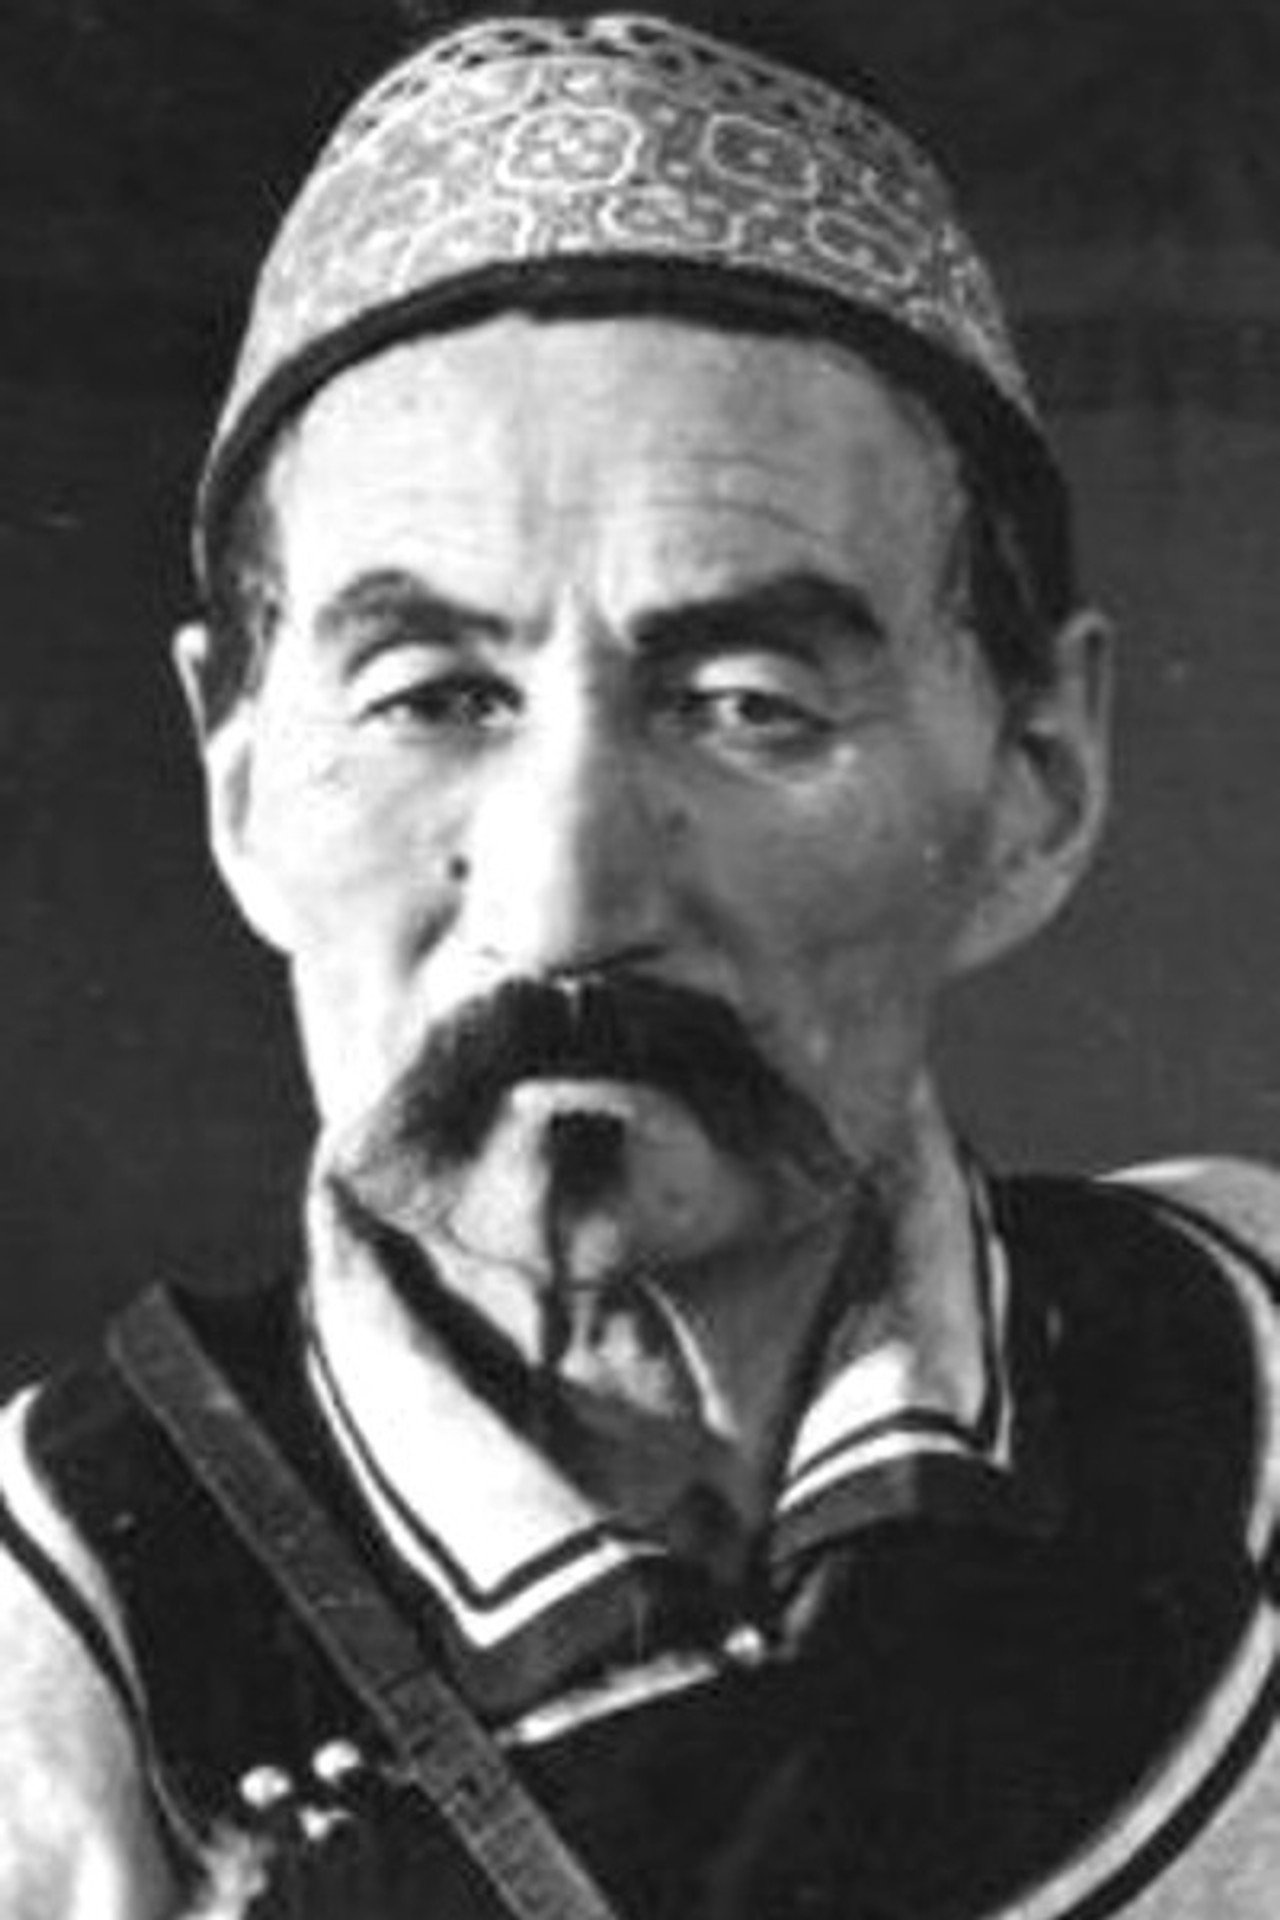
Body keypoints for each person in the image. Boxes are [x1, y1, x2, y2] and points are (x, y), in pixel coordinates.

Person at [1, 7, 1277, 1916]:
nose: (567, 903)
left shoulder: (1250, 1369)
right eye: (434, 695)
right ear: (240, 780)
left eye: (748, 702)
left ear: (1038, 776)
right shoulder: (52, 1668)